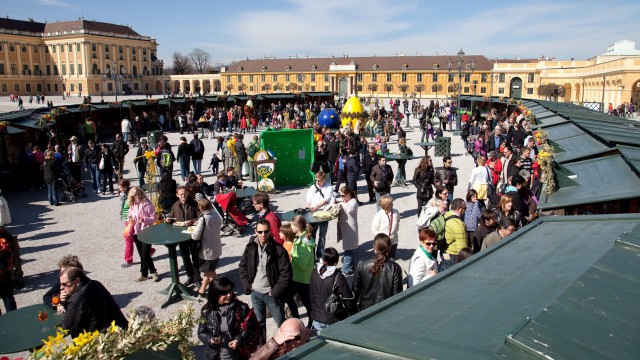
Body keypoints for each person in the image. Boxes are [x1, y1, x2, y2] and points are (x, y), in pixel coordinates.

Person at [239, 220, 292, 340]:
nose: (263, 234)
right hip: (255, 293)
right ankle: (262, 348)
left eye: (266, 231)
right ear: (255, 232)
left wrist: (274, 291)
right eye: (260, 232)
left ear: (270, 232)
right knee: (259, 324)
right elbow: (242, 266)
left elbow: (286, 274)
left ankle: (286, 346)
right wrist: (248, 285)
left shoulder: (278, 250)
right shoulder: (250, 247)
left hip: (272, 294)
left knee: (281, 323)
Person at [198, 277, 259, 360]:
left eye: (230, 291)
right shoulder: (206, 311)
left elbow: (252, 328)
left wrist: (238, 340)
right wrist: (211, 340)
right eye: (224, 293)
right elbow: (201, 332)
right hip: (214, 356)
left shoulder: (241, 308)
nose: (229, 294)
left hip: (238, 355)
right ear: (215, 294)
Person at [60, 267, 128, 338]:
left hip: (99, 341)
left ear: (77, 281)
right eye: (61, 284)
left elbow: (67, 327)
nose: (61, 287)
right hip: (120, 330)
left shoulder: (77, 298)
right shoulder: (95, 283)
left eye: (64, 284)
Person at [352, 234, 402, 312]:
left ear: (374, 246)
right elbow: (397, 295)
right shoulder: (395, 267)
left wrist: (354, 311)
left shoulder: (362, 264)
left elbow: (355, 290)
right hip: (387, 310)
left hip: (365, 310)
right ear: (389, 248)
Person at [309, 247, 354, 331]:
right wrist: (353, 312)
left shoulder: (315, 272)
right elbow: (347, 297)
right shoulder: (337, 276)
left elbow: (311, 294)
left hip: (317, 317)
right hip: (333, 318)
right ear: (336, 261)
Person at [166, 186, 202, 287]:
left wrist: (191, 221)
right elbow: (171, 216)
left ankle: (197, 278)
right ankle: (190, 276)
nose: (183, 196)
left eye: (185, 193)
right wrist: (169, 219)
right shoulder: (175, 206)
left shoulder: (194, 204)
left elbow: (200, 217)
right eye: (181, 194)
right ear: (177, 195)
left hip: (192, 235)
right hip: (181, 236)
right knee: (185, 257)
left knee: (195, 257)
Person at [191, 198, 223, 299]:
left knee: (211, 273)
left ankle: (220, 290)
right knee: (208, 271)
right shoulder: (216, 215)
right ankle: (202, 291)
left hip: (207, 250)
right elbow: (220, 223)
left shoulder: (203, 218)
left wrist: (192, 231)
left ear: (201, 208)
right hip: (216, 247)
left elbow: (196, 236)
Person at [128, 187, 160, 282]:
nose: (137, 196)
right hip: (136, 232)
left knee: (145, 254)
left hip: (147, 231)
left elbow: (154, 218)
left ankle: (153, 272)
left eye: (139, 194)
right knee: (142, 255)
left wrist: (144, 219)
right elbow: (129, 215)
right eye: (135, 195)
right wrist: (131, 219)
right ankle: (144, 274)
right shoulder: (132, 205)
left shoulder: (147, 204)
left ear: (142, 194)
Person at [288, 215, 315, 324]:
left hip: (303, 279)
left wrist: (292, 254)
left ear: (298, 227)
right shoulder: (300, 238)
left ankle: (311, 323)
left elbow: (303, 265)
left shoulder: (304, 242)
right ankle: (296, 320)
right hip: (297, 276)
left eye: (291, 225)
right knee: (289, 298)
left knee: (307, 303)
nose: (290, 227)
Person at [305, 171, 334, 260]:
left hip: (323, 212)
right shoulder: (313, 187)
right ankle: (312, 255)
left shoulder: (328, 187)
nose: (317, 182)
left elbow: (326, 199)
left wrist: (317, 206)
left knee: (322, 235)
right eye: (316, 180)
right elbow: (308, 200)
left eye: (319, 180)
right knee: (311, 234)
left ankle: (320, 254)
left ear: (324, 179)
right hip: (313, 213)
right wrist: (309, 208)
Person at [441, 198, 468, 272]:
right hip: (454, 256)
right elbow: (462, 248)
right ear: (459, 209)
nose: (465, 210)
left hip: (444, 252)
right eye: (465, 208)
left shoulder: (445, 215)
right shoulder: (458, 225)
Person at [336, 186, 359, 275]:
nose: (341, 197)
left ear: (348, 194)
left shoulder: (353, 202)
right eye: (340, 195)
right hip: (345, 228)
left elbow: (349, 210)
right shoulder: (346, 200)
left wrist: (341, 204)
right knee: (349, 248)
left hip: (350, 229)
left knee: (348, 249)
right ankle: (352, 266)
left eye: (343, 195)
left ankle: (346, 269)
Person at [371, 195, 400, 259]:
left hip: (393, 241)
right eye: (390, 203)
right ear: (385, 205)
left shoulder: (396, 212)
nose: (392, 205)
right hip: (383, 243)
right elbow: (374, 230)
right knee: (381, 260)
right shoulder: (378, 216)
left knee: (391, 259)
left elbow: (397, 225)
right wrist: (384, 238)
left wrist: (393, 234)